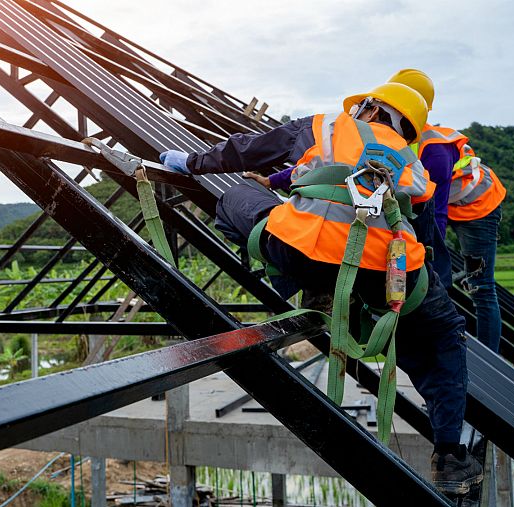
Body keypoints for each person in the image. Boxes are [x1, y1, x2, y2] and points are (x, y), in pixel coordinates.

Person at [161, 83, 483, 495]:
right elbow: (422, 229)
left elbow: (247, 149)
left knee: (237, 196)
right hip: (380, 270)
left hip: (300, 250)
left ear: (369, 107)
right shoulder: (411, 161)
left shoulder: (325, 126)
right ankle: (451, 456)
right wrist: (426, 290)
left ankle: (313, 289)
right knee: (441, 336)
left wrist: (190, 161)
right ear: (408, 128)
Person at [388, 69, 507, 353]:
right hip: (452, 203)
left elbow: (435, 213)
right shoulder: (401, 138)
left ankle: (489, 357)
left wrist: (427, 258)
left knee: (480, 286)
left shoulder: (435, 148)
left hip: (477, 207)